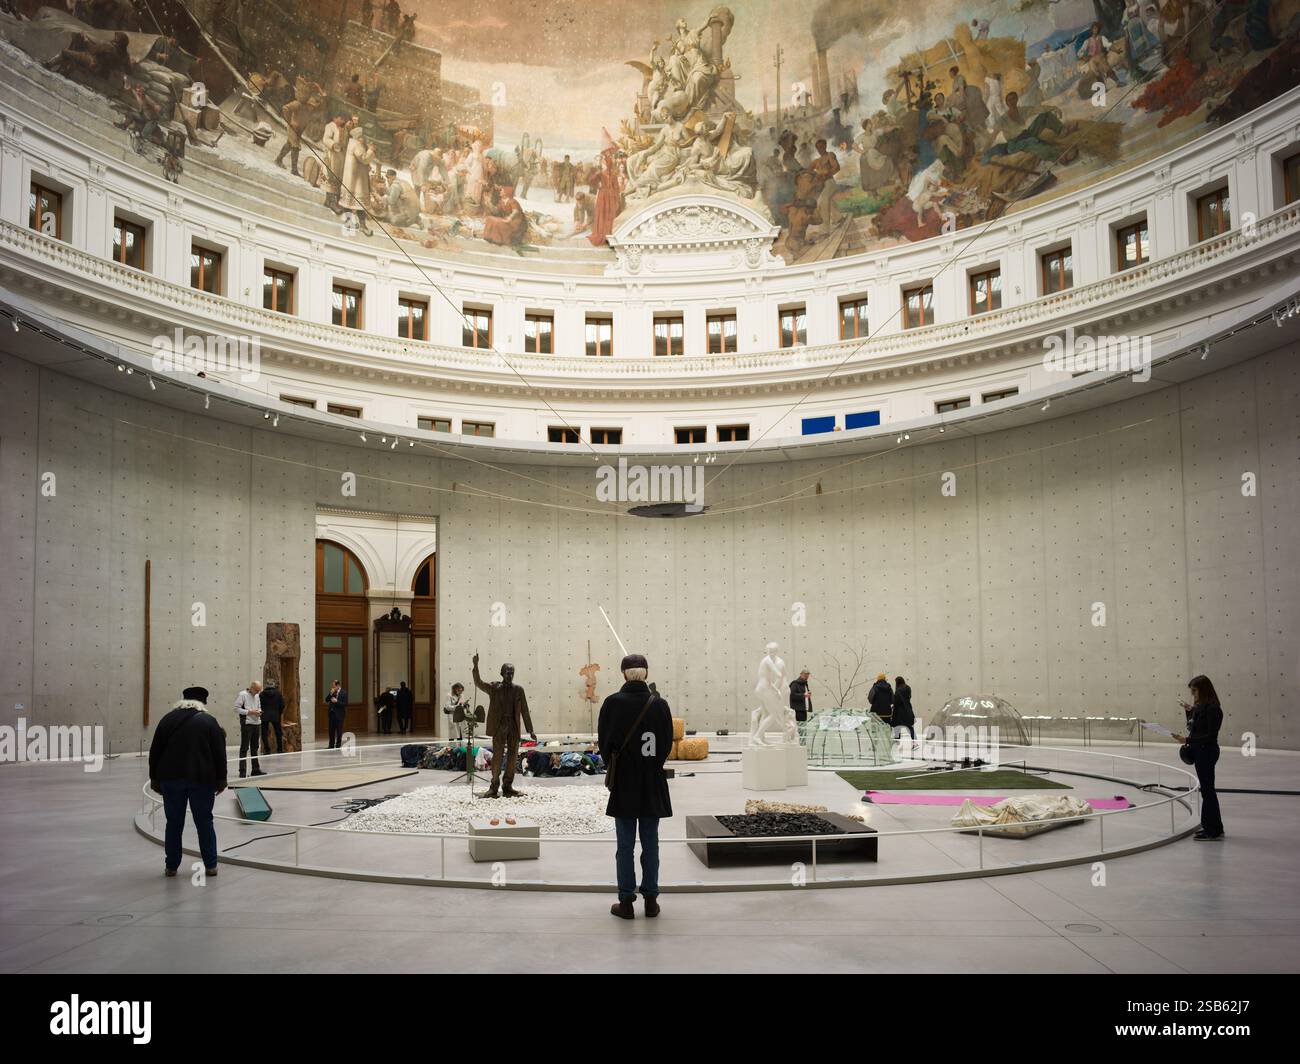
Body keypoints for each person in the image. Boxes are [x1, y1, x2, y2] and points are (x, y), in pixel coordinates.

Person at [598, 653, 673, 920]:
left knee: (625, 845)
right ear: (647, 674)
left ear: (623, 674)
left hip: (625, 784)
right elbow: (666, 745)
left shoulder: (611, 703)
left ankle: (626, 902)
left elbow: (604, 746)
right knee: (651, 843)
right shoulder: (660, 705)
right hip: (652, 781)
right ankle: (651, 901)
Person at [149, 686, 227, 877]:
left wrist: (155, 779)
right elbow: (219, 753)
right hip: (201, 779)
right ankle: (210, 865)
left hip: (171, 779)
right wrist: (221, 779)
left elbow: (155, 752)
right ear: (202, 702)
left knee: (173, 823)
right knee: (204, 822)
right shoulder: (209, 721)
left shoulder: (167, 720)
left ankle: (171, 866)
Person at [472, 653, 536, 798]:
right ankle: (494, 786)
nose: (510, 675)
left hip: (513, 726)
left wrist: (530, 729)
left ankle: (508, 786)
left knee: (513, 757)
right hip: (499, 726)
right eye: (507, 672)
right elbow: (478, 683)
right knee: (497, 757)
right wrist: (475, 666)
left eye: (512, 673)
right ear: (502, 673)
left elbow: (525, 710)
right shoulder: (494, 687)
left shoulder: (518, 689)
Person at [1174, 675, 1225, 840]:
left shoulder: (1213, 709)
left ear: (1203, 690)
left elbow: (1209, 736)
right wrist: (1189, 713)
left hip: (1207, 752)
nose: (1193, 694)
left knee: (1208, 791)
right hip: (1200, 751)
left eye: (1195, 691)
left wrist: (1187, 740)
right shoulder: (1201, 707)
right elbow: (1193, 727)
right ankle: (1213, 827)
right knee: (1207, 791)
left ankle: (1213, 830)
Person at [234, 681, 264, 778]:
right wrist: (249, 712)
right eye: (256, 690)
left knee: (255, 748)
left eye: (259, 690)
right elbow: (236, 708)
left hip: (257, 723)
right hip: (247, 724)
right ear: (251, 687)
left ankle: (255, 770)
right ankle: (242, 771)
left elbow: (259, 706)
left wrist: (259, 711)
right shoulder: (242, 694)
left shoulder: (257, 695)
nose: (257, 692)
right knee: (244, 748)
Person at [259, 678, 285, 755]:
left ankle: (267, 750)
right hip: (275, 715)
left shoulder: (262, 694)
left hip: (264, 715)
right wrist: (279, 712)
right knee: (278, 733)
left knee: (264, 733)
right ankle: (280, 750)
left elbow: (258, 704)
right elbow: (282, 705)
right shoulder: (278, 693)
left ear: (266, 685)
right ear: (274, 684)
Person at [892, 675, 915, 748]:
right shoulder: (908, 688)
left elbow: (896, 701)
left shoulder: (898, 690)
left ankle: (897, 741)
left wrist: (893, 707)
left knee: (897, 726)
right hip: (908, 709)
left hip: (900, 712)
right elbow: (908, 698)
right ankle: (914, 742)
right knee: (909, 727)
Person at [789, 668, 812, 742]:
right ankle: (800, 742)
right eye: (805, 674)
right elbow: (792, 695)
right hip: (797, 709)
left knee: (803, 726)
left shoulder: (805, 684)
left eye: (808, 675)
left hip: (803, 708)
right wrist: (804, 695)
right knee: (800, 726)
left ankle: (802, 741)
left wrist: (807, 694)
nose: (806, 676)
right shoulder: (795, 683)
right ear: (801, 674)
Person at [326, 679, 348, 749]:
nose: (333, 687)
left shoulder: (344, 693)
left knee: (339, 731)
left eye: (334, 686)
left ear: (338, 685)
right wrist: (330, 694)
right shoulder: (332, 691)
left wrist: (337, 701)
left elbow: (345, 704)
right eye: (332, 686)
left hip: (340, 715)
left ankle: (338, 745)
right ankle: (331, 745)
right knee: (331, 730)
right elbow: (326, 700)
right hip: (332, 714)